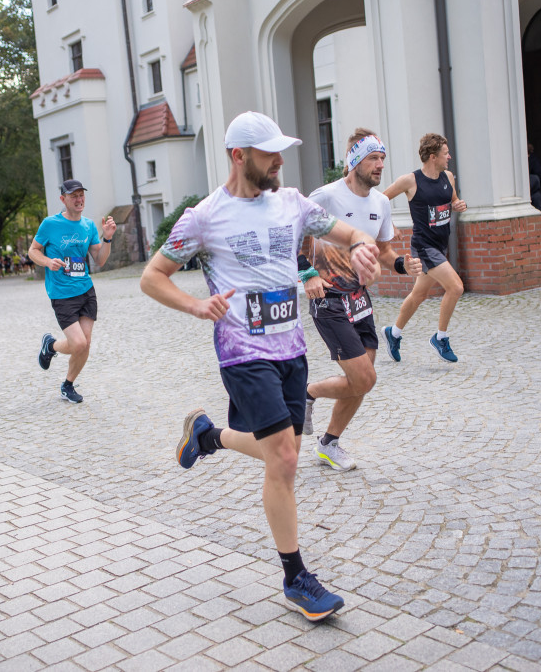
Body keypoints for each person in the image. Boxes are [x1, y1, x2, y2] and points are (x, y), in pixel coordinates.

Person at [140, 111, 381, 622]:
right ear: (238, 155)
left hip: (290, 349)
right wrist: (195, 305)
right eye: (269, 152)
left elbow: (348, 233)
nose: (279, 160)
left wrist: (362, 250)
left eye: (280, 151)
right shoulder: (204, 217)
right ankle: (296, 578)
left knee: (283, 450)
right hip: (242, 352)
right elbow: (152, 277)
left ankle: (207, 436)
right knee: (287, 459)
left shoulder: (292, 204)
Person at [300, 128, 417, 472]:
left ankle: (328, 444)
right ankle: (306, 392)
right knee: (364, 379)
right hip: (327, 298)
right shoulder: (325, 196)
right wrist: (307, 274)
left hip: (359, 299)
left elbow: (381, 249)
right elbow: (292, 235)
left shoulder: (380, 202)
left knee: (360, 381)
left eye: (383, 158)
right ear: (354, 160)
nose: (381, 165)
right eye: (373, 158)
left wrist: (399, 264)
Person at [381, 132, 468, 363]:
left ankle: (394, 332)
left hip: (440, 245)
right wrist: (389, 225)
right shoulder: (410, 180)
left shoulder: (448, 177)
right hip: (423, 246)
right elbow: (379, 201)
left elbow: (453, 200)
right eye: (445, 153)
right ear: (432, 157)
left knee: (418, 295)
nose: (449, 157)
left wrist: (458, 205)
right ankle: (440, 337)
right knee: (456, 287)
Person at [31, 179, 117, 403]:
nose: (79, 200)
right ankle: (51, 345)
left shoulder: (88, 226)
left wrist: (107, 237)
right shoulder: (50, 224)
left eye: (81, 195)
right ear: (63, 199)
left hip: (86, 290)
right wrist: (48, 262)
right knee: (78, 343)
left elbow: (99, 259)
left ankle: (67, 385)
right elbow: (33, 251)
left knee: (85, 344)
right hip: (61, 293)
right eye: (74, 196)